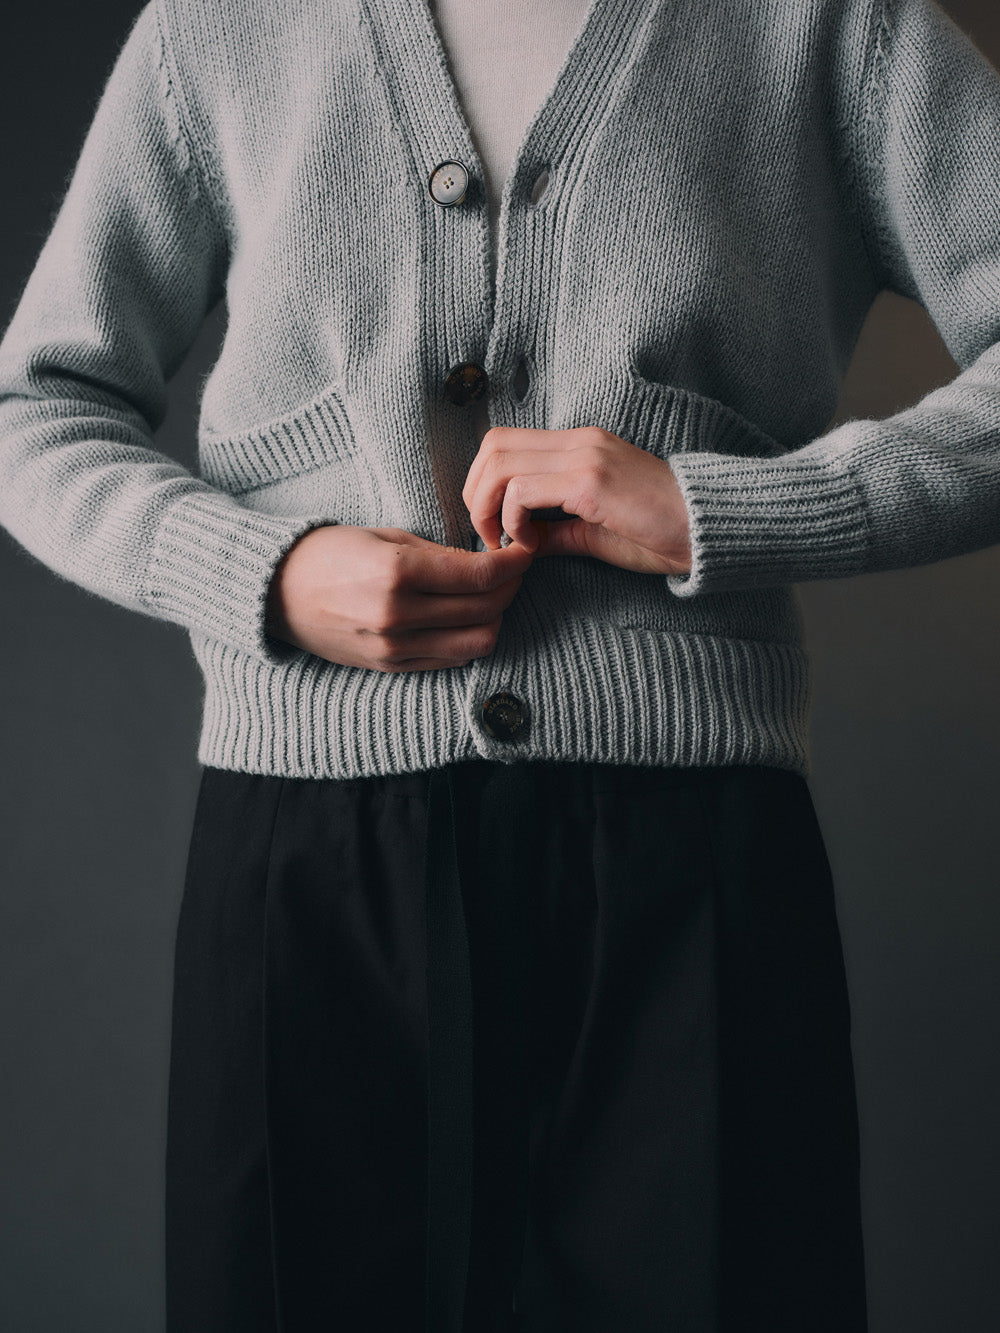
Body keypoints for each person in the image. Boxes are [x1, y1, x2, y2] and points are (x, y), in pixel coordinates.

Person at [2, 0, 999, 1328]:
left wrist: (721, 511)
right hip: (312, 884)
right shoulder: (221, 25)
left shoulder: (823, 23)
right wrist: (266, 574)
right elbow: (41, 403)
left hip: (685, 882)